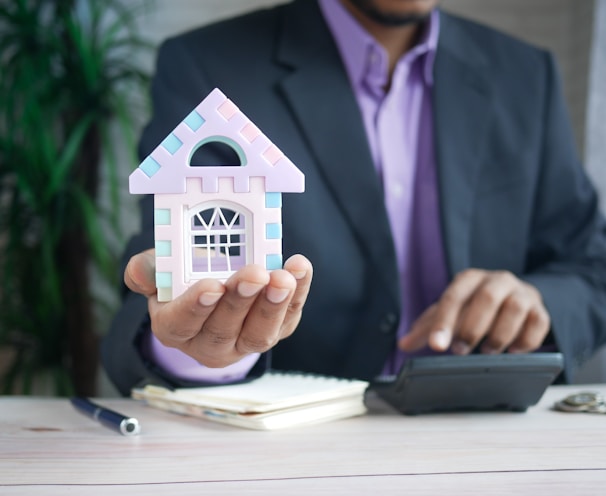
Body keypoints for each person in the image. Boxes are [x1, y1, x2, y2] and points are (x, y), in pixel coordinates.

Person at [102, 0, 606, 396]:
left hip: (493, 437)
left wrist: (541, 300)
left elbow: (591, 266)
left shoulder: (526, 74)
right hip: (294, 451)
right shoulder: (207, 64)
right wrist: (199, 350)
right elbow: (172, 271)